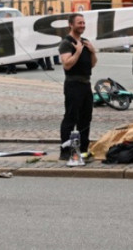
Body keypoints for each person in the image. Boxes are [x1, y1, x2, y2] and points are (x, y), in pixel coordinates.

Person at [58, 13, 97, 160]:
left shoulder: (85, 42)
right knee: (70, 117)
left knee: (86, 118)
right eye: (79, 23)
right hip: (73, 84)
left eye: (83, 23)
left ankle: (83, 149)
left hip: (86, 84)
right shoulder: (66, 43)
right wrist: (78, 52)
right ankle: (65, 151)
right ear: (71, 24)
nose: (82, 25)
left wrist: (92, 51)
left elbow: (92, 64)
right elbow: (67, 64)